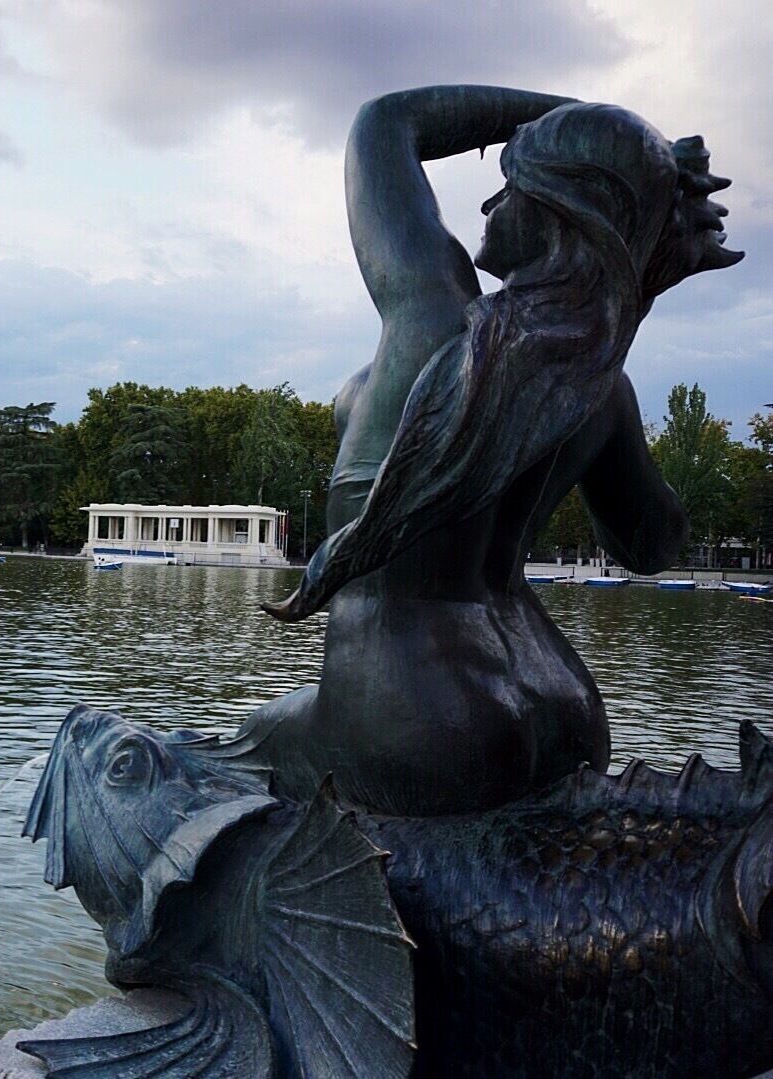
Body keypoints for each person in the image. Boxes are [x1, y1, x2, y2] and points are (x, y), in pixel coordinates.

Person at [232, 86, 742, 816]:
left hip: (418, 719)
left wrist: (574, 119)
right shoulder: (601, 389)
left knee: (239, 745)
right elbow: (651, 546)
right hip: (562, 703)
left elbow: (383, 122)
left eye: (510, 186)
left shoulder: (433, 314)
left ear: (558, 215)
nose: (488, 206)